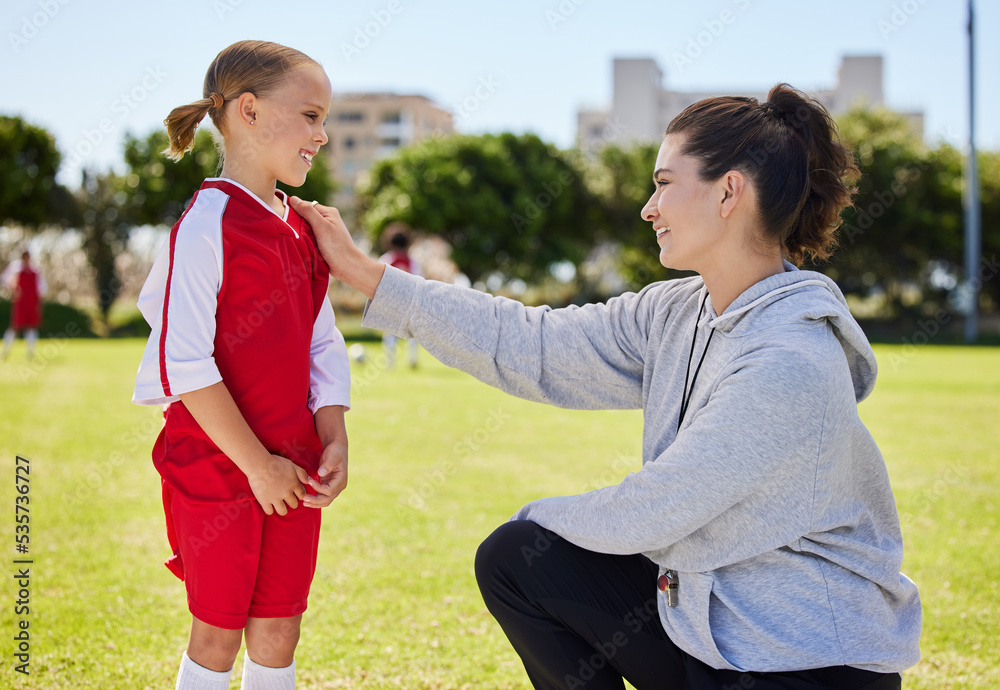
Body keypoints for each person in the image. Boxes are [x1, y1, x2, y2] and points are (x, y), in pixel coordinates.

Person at [291, 82, 922, 689]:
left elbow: (660, 508)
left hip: (806, 666)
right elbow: (534, 343)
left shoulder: (790, 359)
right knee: (517, 558)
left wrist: (538, 516)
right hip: (707, 634)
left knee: (531, 537)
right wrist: (370, 278)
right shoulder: (676, 312)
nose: (649, 207)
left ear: (729, 192)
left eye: (664, 184)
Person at [132, 40, 351, 690]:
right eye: (310, 115)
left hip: (295, 469)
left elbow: (323, 341)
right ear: (250, 110)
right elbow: (183, 361)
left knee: (280, 627)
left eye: (325, 117)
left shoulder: (302, 229)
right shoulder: (205, 225)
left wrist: (333, 431)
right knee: (219, 631)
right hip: (219, 469)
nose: (324, 133)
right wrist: (257, 467)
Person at [377, 223, 422, 368]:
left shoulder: (386, 259)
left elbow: (379, 279)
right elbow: (419, 280)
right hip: (409, 300)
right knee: (412, 333)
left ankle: (389, 362)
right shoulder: (412, 261)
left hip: (390, 300)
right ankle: (412, 359)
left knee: (390, 332)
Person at [2, 250, 47, 362]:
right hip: (21, 303)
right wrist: (13, 289)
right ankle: (5, 351)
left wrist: (39, 304)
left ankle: (30, 353)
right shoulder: (16, 270)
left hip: (32, 304)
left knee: (31, 327)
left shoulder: (36, 271)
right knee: (15, 327)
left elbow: (41, 289)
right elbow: (4, 279)